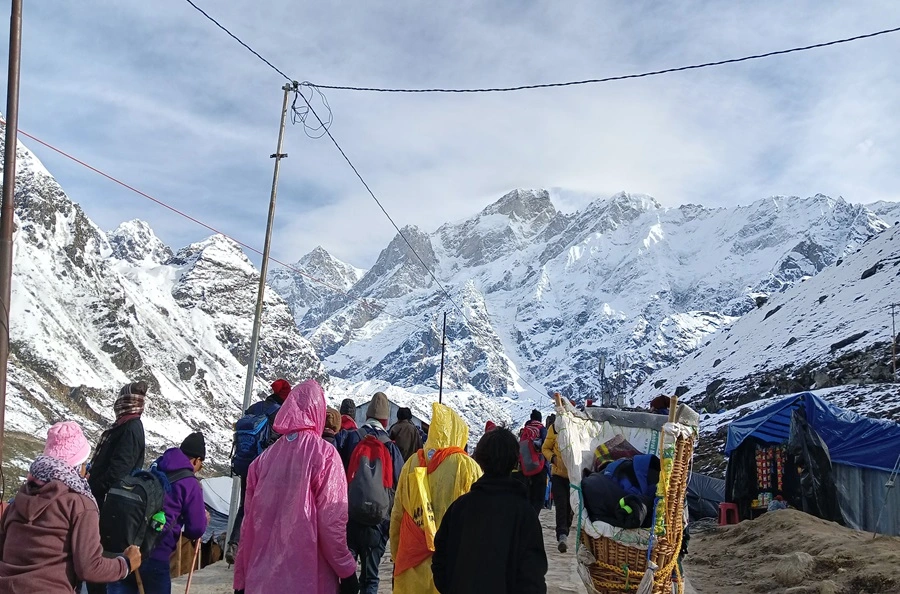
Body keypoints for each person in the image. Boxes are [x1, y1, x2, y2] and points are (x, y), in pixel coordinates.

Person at [233, 380, 357, 594]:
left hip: (261, 580)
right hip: (309, 578)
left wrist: (240, 580)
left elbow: (248, 527)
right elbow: (331, 522)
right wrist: (346, 570)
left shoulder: (261, 462)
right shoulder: (325, 455)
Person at [0, 422, 141, 593]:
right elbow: (90, 568)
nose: (86, 471)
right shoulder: (79, 504)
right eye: (84, 464)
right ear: (75, 466)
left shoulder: (20, 498)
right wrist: (125, 564)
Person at [432, 427, 547, 594]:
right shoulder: (524, 513)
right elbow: (533, 573)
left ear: (479, 459)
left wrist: (451, 588)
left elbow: (440, 559)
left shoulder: (459, 508)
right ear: (515, 461)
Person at [390, 403, 483, 594]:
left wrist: (396, 553)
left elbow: (398, 514)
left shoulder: (411, 464)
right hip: (450, 564)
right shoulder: (467, 467)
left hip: (411, 563)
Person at [108, 433, 208, 594]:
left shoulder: (155, 466)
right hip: (155, 554)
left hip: (127, 549)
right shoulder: (190, 483)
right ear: (196, 460)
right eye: (200, 465)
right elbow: (195, 529)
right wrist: (204, 519)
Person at [86, 382, 147, 594]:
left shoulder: (130, 429)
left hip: (109, 505)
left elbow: (118, 472)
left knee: (103, 563)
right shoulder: (125, 426)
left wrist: (93, 487)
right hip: (105, 501)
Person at [341, 392, 403, 594]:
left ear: (366, 416)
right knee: (370, 579)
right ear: (386, 420)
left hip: (350, 518)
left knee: (346, 579)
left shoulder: (351, 438)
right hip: (377, 522)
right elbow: (399, 484)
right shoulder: (391, 448)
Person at [225, 378, 291, 564]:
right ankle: (261, 551)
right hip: (267, 467)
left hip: (247, 465)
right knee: (269, 508)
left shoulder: (254, 408)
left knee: (245, 506)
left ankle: (234, 543)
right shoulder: (280, 413)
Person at [542, 418, 573, 553]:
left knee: (570, 508)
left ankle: (565, 531)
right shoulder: (554, 428)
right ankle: (562, 535)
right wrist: (553, 458)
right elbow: (545, 448)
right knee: (561, 504)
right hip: (558, 475)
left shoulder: (577, 428)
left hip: (574, 476)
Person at [515, 410, 548, 515]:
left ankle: (526, 519)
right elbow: (546, 447)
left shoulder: (524, 430)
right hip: (540, 468)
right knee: (538, 498)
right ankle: (533, 519)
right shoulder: (542, 429)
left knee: (528, 496)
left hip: (525, 468)